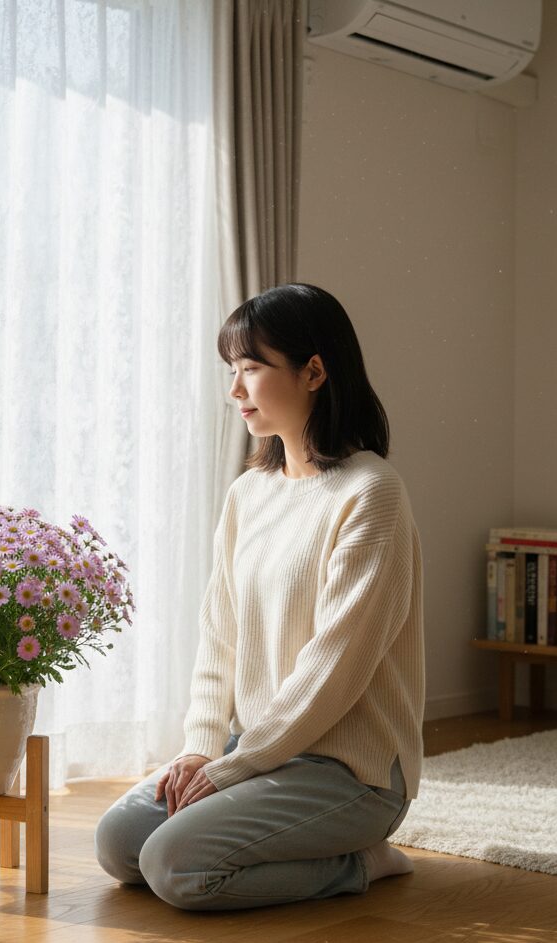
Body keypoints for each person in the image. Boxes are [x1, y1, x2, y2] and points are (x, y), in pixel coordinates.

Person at [93, 283, 425, 911]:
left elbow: (335, 669)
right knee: (119, 845)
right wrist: (199, 748)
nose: (235, 389)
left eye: (251, 368)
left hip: (350, 771)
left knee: (176, 868)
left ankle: (360, 861)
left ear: (314, 372)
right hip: (259, 749)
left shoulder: (371, 493)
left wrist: (229, 770)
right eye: (232, 370)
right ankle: (261, 806)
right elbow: (219, 635)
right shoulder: (250, 493)